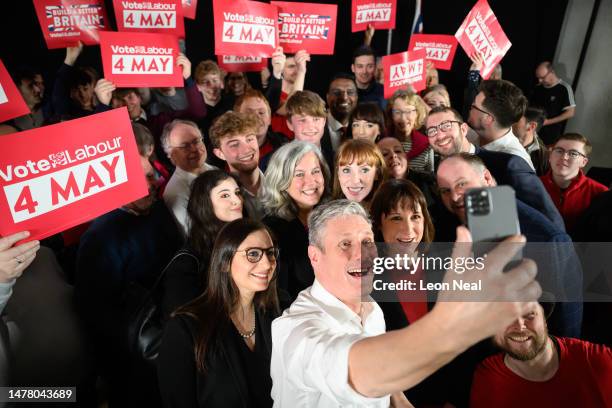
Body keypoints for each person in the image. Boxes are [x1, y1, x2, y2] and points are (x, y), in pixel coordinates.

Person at [271, 199, 542, 407]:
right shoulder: (294, 330)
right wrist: (449, 326)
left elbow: (387, 385)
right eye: (344, 244)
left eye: (367, 241)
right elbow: (358, 372)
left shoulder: (373, 309)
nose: (362, 254)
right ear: (315, 256)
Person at [75, 151, 183, 406]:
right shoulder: (99, 239)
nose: (150, 184)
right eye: (137, 178)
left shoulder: (157, 209)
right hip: (136, 359)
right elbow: (97, 313)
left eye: (149, 175)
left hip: (175, 334)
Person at [436, 153, 583, 338]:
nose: (455, 197)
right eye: (445, 190)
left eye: (462, 184)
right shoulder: (445, 224)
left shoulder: (547, 240)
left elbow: (566, 322)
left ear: (487, 178)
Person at [158, 219, 281, 407]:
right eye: (253, 254)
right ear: (224, 263)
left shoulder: (277, 313)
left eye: (270, 253)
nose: (266, 264)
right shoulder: (185, 329)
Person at [425, 106, 564, 230]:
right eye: (431, 130)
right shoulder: (438, 174)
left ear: (464, 129)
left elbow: (551, 223)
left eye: (446, 126)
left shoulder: (508, 164)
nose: (440, 135)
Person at [470, 302, 612, 408]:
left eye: (529, 314)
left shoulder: (599, 362)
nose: (520, 327)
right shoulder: (486, 380)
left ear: (544, 319)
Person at [160, 170, 250, 321]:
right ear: (205, 203)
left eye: (237, 192)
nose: (237, 201)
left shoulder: (250, 239)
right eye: (225, 195)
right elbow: (181, 322)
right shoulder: (187, 263)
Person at [260, 141, 331, 299]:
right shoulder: (270, 232)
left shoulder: (330, 220)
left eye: (315, 171)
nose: (311, 181)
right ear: (281, 180)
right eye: (299, 174)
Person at [540, 133, 608, 233]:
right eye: (559, 151)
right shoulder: (532, 185)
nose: (564, 157)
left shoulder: (601, 193)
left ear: (583, 162)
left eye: (573, 154)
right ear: (550, 156)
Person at [162, 119, 216, 235]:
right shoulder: (175, 193)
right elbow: (195, 236)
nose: (194, 149)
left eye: (197, 141)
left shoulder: (215, 171)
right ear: (171, 155)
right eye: (184, 146)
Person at [468, 80, 535, 170]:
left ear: (488, 118)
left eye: (474, 106)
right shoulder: (469, 134)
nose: (470, 108)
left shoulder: (515, 163)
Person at [210, 111, 263, 198]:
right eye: (234, 144)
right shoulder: (219, 199)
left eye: (249, 139)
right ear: (220, 154)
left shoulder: (282, 180)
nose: (246, 149)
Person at [376, 137, 439, 210]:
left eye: (398, 151)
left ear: (406, 157)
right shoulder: (374, 191)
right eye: (385, 154)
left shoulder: (429, 182)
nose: (393, 155)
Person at [234, 89, 288, 171]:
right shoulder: (223, 151)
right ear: (237, 118)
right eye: (249, 113)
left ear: (270, 119)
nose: (256, 117)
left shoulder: (284, 147)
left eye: (261, 112)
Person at [386, 90, 434, 172]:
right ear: (391, 114)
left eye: (408, 111)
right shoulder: (383, 143)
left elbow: (430, 179)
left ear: (417, 114)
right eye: (397, 112)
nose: (403, 118)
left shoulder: (426, 146)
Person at [284, 90, 334, 169]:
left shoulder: (336, 159)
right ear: (290, 124)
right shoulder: (278, 160)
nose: (310, 127)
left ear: (324, 121)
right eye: (302, 120)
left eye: (316, 119)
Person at [333, 139, 387, 209]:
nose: (355, 181)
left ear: (377, 173)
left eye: (364, 170)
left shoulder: (390, 212)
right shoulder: (327, 216)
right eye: (346, 170)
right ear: (338, 174)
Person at [531, 61, 576, 145]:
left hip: (550, 135)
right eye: (538, 77)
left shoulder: (564, 88)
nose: (540, 80)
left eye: (542, 77)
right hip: (533, 131)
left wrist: (547, 122)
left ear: (551, 72)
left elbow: (570, 112)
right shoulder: (538, 88)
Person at [512, 106, 549, 176]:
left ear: (531, 126)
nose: (511, 122)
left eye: (516, 120)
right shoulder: (502, 141)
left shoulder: (543, 157)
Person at [326, 73, 359, 151]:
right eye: (337, 93)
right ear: (327, 97)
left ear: (357, 98)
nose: (344, 97)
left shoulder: (363, 127)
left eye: (350, 92)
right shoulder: (315, 126)